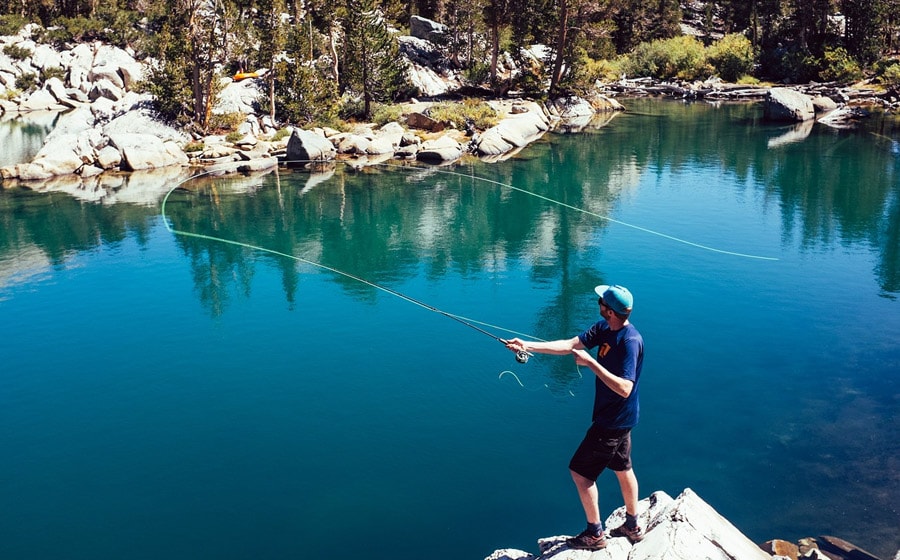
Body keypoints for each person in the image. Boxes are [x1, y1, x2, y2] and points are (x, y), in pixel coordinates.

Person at [505, 284, 645, 550]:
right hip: (622, 419)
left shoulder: (629, 341)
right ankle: (632, 524)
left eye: (601, 300)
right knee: (622, 467)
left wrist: (592, 364)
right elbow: (570, 345)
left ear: (610, 310)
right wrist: (528, 346)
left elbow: (625, 388)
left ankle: (595, 534)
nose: (598, 302)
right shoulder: (605, 328)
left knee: (581, 474)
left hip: (613, 421)